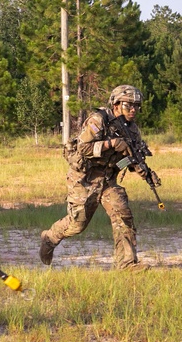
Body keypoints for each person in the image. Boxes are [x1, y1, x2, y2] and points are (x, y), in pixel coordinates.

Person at [39, 85, 155, 272]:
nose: (134, 109)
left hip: (108, 180)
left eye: (137, 106)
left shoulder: (132, 130)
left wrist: (138, 168)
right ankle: (49, 238)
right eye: (129, 105)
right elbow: (82, 148)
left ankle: (126, 263)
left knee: (123, 216)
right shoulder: (99, 120)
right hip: (85, 179)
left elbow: (125, 158)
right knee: (77, 224)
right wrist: (112, 143)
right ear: (116, 104)